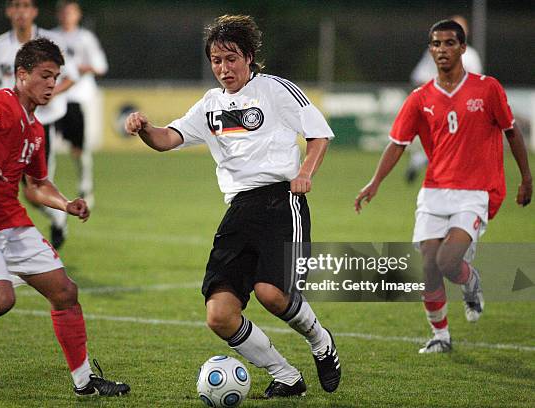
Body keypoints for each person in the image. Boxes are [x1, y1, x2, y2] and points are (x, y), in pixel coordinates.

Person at [125, 15, 341, 398]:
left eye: (231, 59)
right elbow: (166, 139)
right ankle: (286, 375)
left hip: (281, 201)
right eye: (216, 60)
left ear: (249, 57)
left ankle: (321, 341)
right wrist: (144, 127)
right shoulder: (209, 105)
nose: (223, 68)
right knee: (219, 315)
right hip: (239, 210)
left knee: (272, 293)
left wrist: (305, 172)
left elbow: (319, 134)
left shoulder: (275, 90)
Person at [0, 38, 129, 397]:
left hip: (11, 221)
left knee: (65, 291)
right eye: (45, 76)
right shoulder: (1, 102)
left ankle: (84, 384)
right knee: (0, 300)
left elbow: (35, 185)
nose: (52, 84)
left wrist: (65, 204)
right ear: (22, 75)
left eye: (56, 77)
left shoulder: (34, 127)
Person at [355, 20, 532, 353]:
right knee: (429, 267)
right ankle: (441, 336)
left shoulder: (487, 88)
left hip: (475, 191)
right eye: (435, 44)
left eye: (449, 43)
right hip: (435, 191)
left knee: (448, 262)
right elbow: (397, 143)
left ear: (463, 48)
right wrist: (375, 182)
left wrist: (526, 177)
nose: (441, 50)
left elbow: (511, 132)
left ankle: (470, 281)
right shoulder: (420, 98)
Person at [0, 0, 77, 249]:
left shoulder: (50, 43)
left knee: (35, 189)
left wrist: (52, 90)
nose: (21, 11)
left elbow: (72, 76)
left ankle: (58, 217)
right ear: (9, 11)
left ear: (34, 12)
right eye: (16, 5)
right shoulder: (0, 45)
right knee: (2, 184)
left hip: (41, 123)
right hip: (7, 122)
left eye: (26, 6)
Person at [405, 15, 483, 183]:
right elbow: (419, 77)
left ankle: (421, 161)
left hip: (462, 108)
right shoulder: (435, 52)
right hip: (439, 106)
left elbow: (477, 84)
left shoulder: (472, 56)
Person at [53, 0, 108, 207]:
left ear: (77, 15)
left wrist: (80, 68)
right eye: (64, 12)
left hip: (78, 98)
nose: (67, 16)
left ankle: (85, 186)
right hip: (54, 99)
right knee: (45, 145)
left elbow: (101, 66)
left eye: (71, 12)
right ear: (59, 15)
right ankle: (45, 187)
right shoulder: (51, 37)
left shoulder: (85, 38)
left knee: (78, 148)